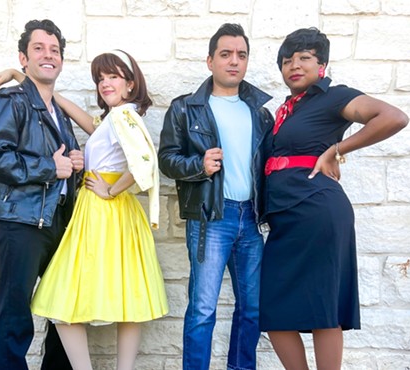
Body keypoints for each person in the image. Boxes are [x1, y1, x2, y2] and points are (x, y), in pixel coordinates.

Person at [0, 49, 168, 370]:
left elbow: (145, 163)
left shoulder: (125, 116)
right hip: (101, 213)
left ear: (130, 84)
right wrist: (20, 77)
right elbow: (70, 111)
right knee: (124, 296)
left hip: (105, 212)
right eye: (100, 78)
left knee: (66, 297)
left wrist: (110, 189)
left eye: (113, 76)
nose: (105, 83)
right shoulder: (114, 119)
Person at [259, 27, 408, 369]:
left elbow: (393, 117)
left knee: (322, 306)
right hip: (284, 217)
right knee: (273, 308)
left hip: (317, 210)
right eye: (287, 61)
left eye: (304, 58)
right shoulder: (287, 110)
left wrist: (337, 149)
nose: (294, 65)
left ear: (321, 64)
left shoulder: (335, 96)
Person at [158, 23, 273, 370]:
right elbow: (166, 159)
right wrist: (199, 165)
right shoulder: (186, 108)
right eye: (225, 54)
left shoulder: (261, 112)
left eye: (241, 55)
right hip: (211, 219)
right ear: (210, 61)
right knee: (203, 309)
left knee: (252, 309)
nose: (233, 61)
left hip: (251, 220)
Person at [0, 19, 83, 370]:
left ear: (62, 60)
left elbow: (61, 162)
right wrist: (50, 168)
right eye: (39, 48)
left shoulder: (57, 113)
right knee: (15, 313)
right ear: (24, 58)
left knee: (65, 310)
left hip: (56, 223)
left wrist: (74, 164)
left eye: (54, 50)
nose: (47, 55)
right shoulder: (9, 101)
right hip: (19, 222)